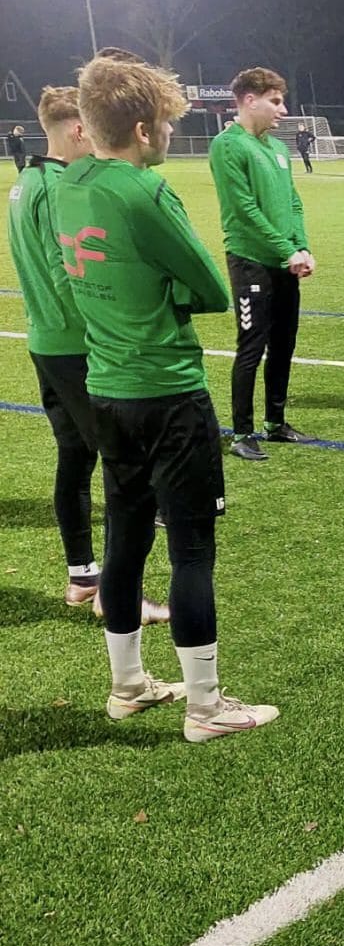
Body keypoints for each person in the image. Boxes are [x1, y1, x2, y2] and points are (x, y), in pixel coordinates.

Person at [54, 52, 278, 741]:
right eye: (168, 123)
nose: (173, 134)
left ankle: (127, 687)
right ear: (143, 129)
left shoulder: (68, 183)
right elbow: (211, 289)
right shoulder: (145, 193)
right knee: (191, 551)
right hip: (168, 394)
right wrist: (167, 291)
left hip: (105, 390)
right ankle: (206, 707)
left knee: (124, 540)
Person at [6, 86, 167, 624]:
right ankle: (116, 594)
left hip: (44, 341)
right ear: (79, 130)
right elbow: (65, 270)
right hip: (76, 344)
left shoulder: (26, 181)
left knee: (75, 458)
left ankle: (82, 577)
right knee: (124, 468)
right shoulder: (58, 188)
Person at [209, 67, 315, 461]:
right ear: (249, 100)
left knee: (284, 343)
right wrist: (286, 248)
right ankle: (242, 432)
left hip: (285, 262)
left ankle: (275, 423)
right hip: (250, 261)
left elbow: (293, 202)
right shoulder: (227, 146)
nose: (283, 110)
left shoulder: (279, 149)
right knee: (251, 346)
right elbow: (244, 209)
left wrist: (301, 247)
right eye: (276, 101)